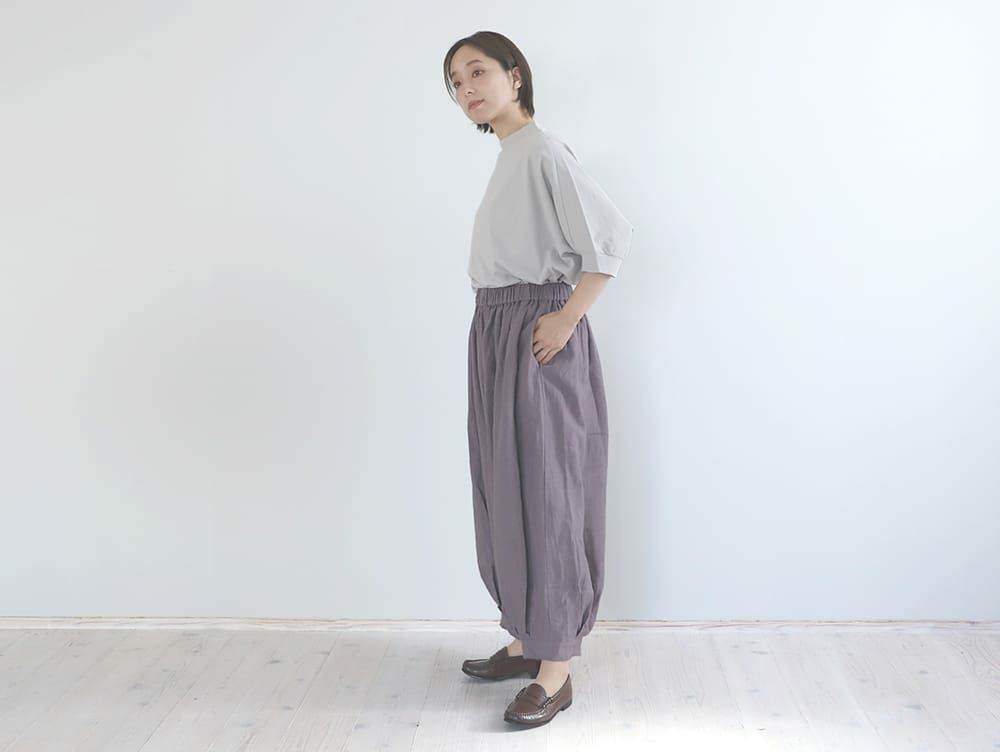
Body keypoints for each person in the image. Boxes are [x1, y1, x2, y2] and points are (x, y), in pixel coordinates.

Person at [443, 30, 634, 728]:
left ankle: (556, 670)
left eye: (478, 72)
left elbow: (610, 240)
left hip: (535, 332)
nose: (467, 89)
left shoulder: (545, 151)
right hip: (497, 330)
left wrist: (566, 317)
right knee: (506, 487)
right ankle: (527, 639)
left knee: (550, 492)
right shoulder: (511, 158)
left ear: (516, 75)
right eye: (456, 82)